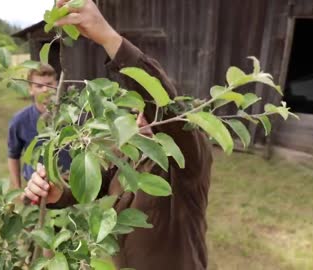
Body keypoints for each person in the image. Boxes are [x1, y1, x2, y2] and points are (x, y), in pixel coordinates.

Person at [23, 0, 213, 269]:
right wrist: (57, 192)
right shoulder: (127, 153)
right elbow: (91, 184)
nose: (142, 119)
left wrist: (109, 39)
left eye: (151, 112)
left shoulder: (186, 164)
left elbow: (166, 106)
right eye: (138, 111)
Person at [7, 64, 71, 190]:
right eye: (39, 86)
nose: (45, 90)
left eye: (49, 84)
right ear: (30, 89)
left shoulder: (71, 116)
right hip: (38, 187)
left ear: (57, 85)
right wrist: (17, 188)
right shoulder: (19, 121)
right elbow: (13, 156)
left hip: (69, 185)